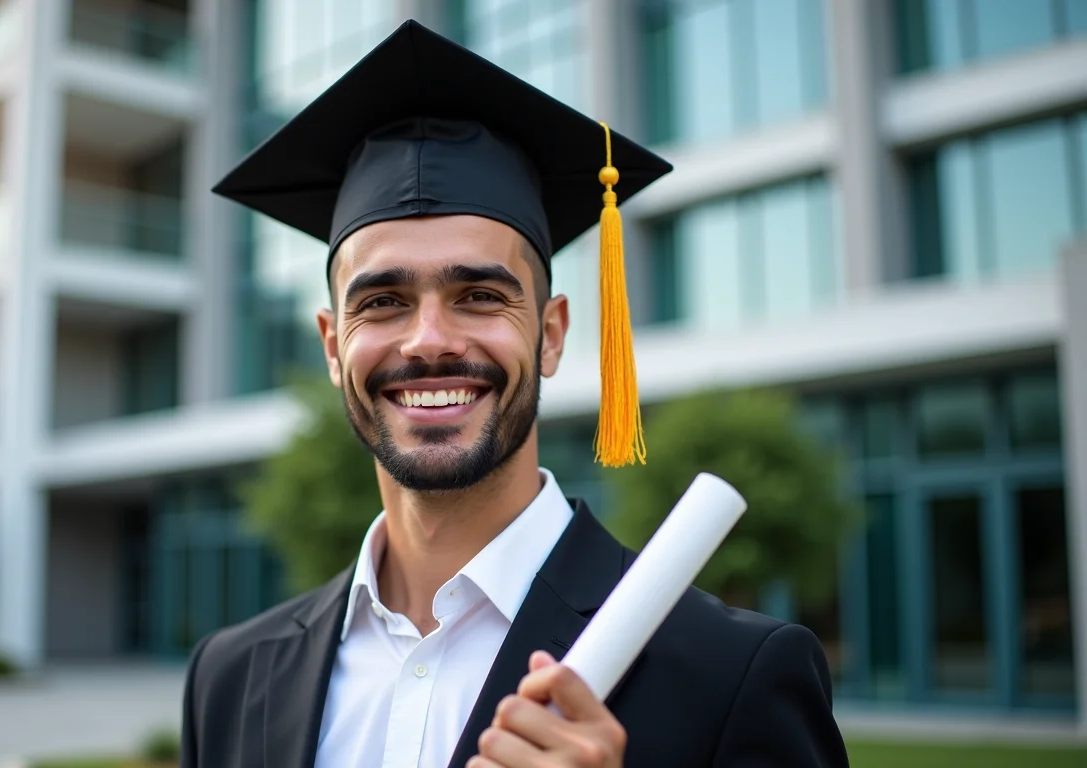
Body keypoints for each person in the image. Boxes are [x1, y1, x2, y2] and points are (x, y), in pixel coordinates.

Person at [180, 19, 849, 768]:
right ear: (335, 346)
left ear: (553, 333)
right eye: (383, 302)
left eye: (479, 296)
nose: (428, 339)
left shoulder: (731, 675)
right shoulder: (232, 679)